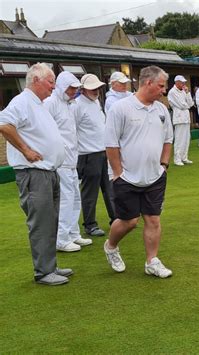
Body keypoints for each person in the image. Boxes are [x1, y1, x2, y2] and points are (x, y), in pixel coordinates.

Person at [0, 63, 73, 285]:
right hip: (34, 173)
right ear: (36, 80)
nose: (53, 86)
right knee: (41, 222)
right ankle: (43, 272)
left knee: (50, 221)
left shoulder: (39, 104)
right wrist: (26, 150)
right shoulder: (22, 101)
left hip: (48, 171)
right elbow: (4, 124)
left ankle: (50, 266)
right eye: (50, 81)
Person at [104, 65, 173, 277]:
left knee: (153, 219)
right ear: (148, 83)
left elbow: (168, 139)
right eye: (161, 86)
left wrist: (163, 165)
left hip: (155, 176)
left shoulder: (161, 110)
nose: (164, 90)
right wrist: (118, 173)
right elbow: (111, 144)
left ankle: (151, 261)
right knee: (129, 221)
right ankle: (111, 246)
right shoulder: (120, 108)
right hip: (126, 177)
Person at [44, 71, 92, 252]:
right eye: (71, 88)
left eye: (75, 88)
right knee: (65, 200)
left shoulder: (70, 105)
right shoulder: (50, 103)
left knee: (75, 198)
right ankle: (61, 239)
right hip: (59, 161)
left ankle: (73, 233)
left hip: (72, 160)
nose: (73, 92)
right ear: (62, 86)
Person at [75, 74, 115, 236]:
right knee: (90, 191)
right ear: (83, 90)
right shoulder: (77, 105)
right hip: (88, 154)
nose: (96, 91)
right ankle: (90, 224)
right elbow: (73, 130)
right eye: (92, 88)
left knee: (109, 187)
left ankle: (115, 218)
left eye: (97, 88)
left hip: (103, 151)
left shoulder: (97, 102)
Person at [168, 75, 194, 166]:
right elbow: (181, 105)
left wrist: (187, 93)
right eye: (182, 82)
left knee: (186, 139)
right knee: (179, 139)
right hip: (179, 118)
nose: (184, 84)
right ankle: (177, 159)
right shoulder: (172, 92)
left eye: (184, 82)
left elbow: (191, 104)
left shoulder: (184, 91)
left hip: (186, 118)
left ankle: (184, 157)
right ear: (177, 82)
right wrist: (187, 105)